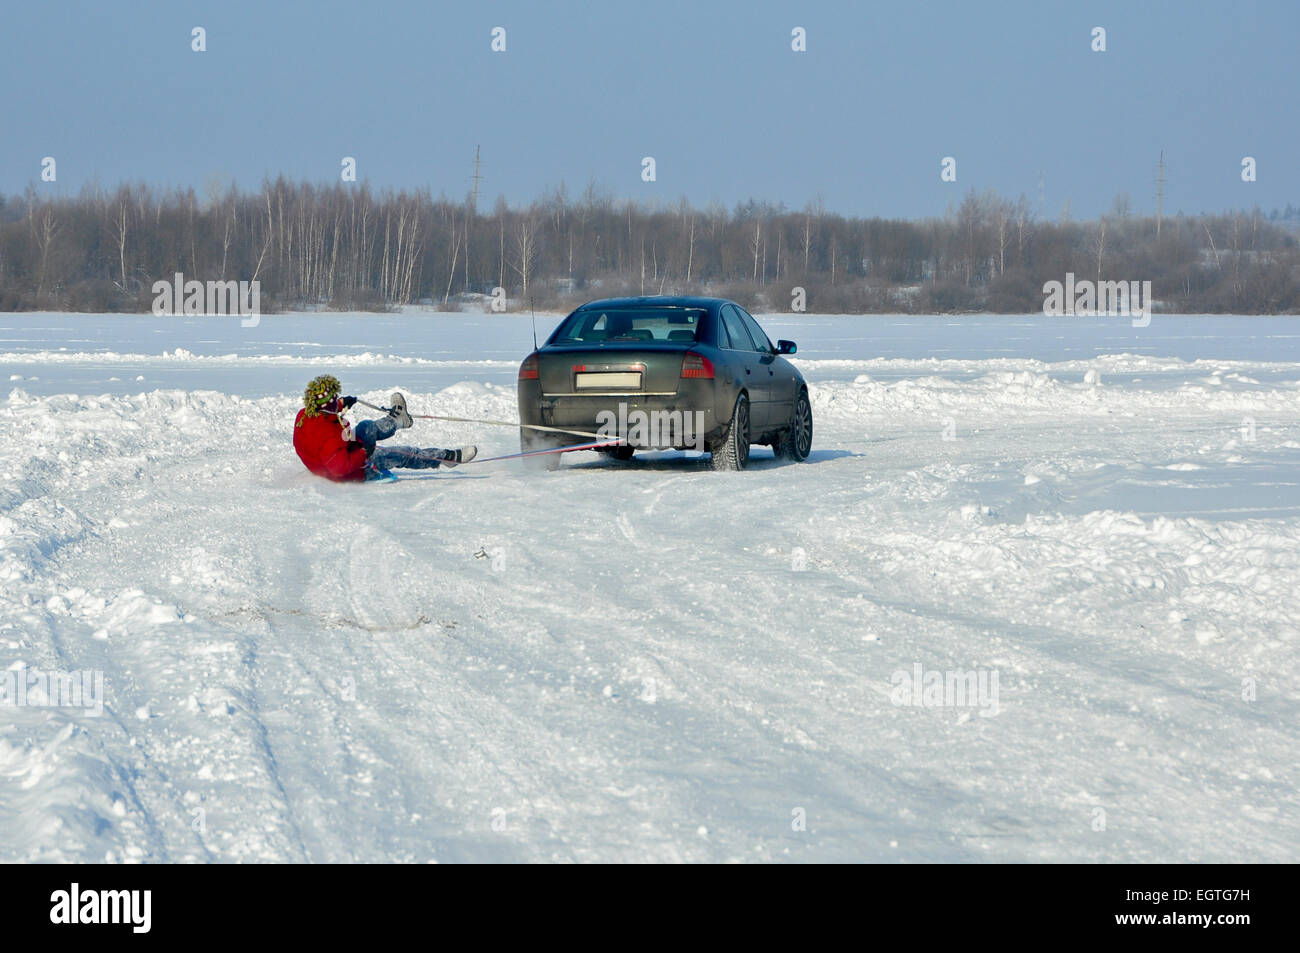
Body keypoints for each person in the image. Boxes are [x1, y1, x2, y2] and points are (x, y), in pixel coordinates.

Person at [293, 375, 476, 482]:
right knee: (401, 454)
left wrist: (341, 404)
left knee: (366, 427)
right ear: (327, 405)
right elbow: (339, 468)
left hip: (342, 451)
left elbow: (326, 419)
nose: (338, 399)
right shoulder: (329, 435)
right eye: (335, 398)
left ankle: (398, 420)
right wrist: (365, 452)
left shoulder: (306, 414)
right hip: (355, 472)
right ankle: (446, 457)